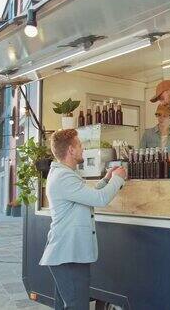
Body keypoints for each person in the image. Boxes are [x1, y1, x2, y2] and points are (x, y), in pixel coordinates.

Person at [39, 129, 127, 310]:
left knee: (66, 306)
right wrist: (118, 179)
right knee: (77, 306)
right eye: (80, 145)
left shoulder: (64, 174)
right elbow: (100, 199)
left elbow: (87, 196)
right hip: (69, 255)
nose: (83, 149)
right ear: (71, 150)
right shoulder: (64, 176)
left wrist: (106, 179)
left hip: (67, 255)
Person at [140, 104, 170, 178]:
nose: (161, 118)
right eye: (159, 115)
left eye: (165, 116)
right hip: (152, 173)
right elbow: (141, 155)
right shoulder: (148, 134)